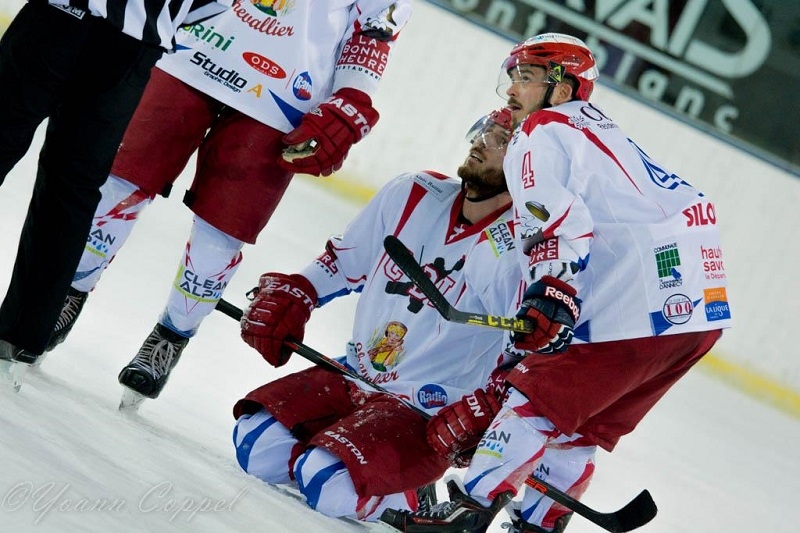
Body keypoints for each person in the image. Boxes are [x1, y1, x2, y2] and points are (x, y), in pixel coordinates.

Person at [382, 33, 732, 533]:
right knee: (579, 425)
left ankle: (468, 510)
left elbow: (560, 221)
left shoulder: (541, 130)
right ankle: (540, 525)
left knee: (534, 397)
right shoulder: (601, 134)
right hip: (699, 312)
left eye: (525, 78)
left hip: (637, 300)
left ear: (562, 89)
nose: (510, 92)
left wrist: (552, 292)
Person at [39, 1, 412, 403]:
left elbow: (373, 28)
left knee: (221, 233)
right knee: (119, 187)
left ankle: (171, 336)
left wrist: (352, 96)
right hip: (186, 49)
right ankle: (66, 294)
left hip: (286, 92)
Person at [232, 109, 528, 523]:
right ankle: (358, 458)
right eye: (483, 130)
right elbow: (343, 263)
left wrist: (492, 413)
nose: (480, 142)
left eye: (500, 139)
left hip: (427, 408)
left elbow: (528, 353)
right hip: (356, 371)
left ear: (525, 166)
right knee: (257, 446)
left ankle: (411, 493)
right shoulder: (414, 192)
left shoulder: (522, 251)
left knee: (324, 481)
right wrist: (302, 291)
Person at [0, 0, 232, 389]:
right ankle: (20, 338)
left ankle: (21, 335)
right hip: (131, 48)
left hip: (59, 17)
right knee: (73, 187)